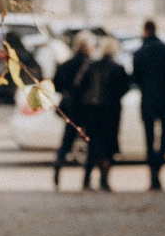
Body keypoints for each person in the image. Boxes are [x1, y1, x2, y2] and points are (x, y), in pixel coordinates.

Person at [73, 35, 131, 193]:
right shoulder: (118, 68)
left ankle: (86, 180)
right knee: (109, 146)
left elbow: (78, 85)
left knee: (92, 145)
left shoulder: (91, 66)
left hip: (92, 111)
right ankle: (104, 181)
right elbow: (125, 88)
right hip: (111, 111)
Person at [131, 21, 165, 191]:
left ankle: (152, 170)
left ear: (145, 31)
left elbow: (136, 79)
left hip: (148, 101)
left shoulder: (139, 53)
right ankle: (159, 166)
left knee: (149, 138)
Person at [48, 30, 94, 191]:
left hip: (71, 109)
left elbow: (56, 85)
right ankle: (87, 180)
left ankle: (58, 167)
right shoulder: (91, 65)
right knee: (90, 142)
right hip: (88, 109)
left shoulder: (66, 64)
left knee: (66, 141)